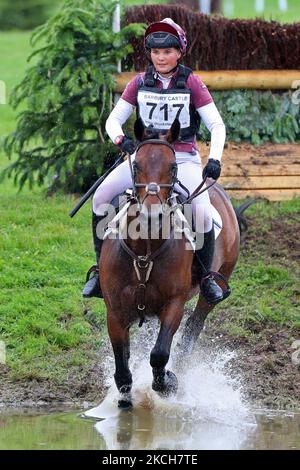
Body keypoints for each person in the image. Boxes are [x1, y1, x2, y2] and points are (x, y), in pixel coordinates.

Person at [83, 18, 226, 304]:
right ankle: (100, 271)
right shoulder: (138, 82)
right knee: (101, 197)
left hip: (181, 159)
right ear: (150, 54)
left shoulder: (192, 83)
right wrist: (121, 141)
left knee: (200, 211)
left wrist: (215, 159)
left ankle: (206, 278)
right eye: (156, 52)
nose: (161, 58)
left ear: (179, 53)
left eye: (168, 52)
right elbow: (114, 120)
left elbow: (217, 125)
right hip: (144, 159)